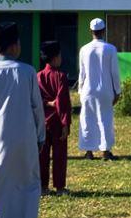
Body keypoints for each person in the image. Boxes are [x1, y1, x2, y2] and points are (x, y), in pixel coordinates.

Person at [0, 22, 46, 218]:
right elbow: (37, 108)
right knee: (29, 184)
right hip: (26, 138)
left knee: (1, 188)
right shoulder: (28, 71)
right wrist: (40, 135)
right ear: (14, 46)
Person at [78, 18, 121, 160]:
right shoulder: (110, 49)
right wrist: (117, 91)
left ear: (91, 31)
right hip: (105, 91)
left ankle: (89, 152)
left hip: (88, 91)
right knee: (105, 120)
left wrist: (80, 90)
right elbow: (114, 73)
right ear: (104, 31)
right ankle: (105, 151)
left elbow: (82, 73)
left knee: (87, 119)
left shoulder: (84, 49)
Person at [37, 40, 72, 195]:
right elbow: (63, 101)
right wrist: (66, 123)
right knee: (59, 156)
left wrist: (47, 103)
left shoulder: (38, 76)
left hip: (42, 122)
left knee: (42, 156)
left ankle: (43, 187)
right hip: (57, 121)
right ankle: (59, 187)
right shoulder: (60, 76)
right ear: (55, 57)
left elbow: (36, 99)